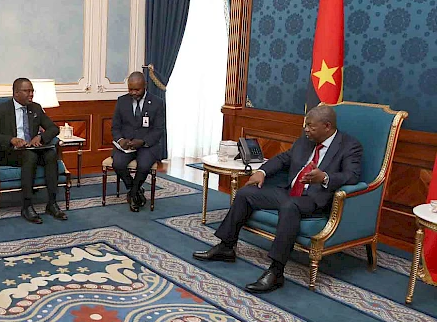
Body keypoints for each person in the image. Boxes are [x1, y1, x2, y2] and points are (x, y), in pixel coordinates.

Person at [193, 105, 362, 293]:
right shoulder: (306, 140)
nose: (306, 129)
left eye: (311, 126)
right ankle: (226, 247)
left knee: (290, 206)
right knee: (246, 193)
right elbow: (283, 159)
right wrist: (262, 172)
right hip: (289, 191)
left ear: (327, 126)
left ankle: (276, 271)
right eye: (306, 125)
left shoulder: (349, 146)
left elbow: (352, 176)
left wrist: (324, 178)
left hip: (315, 198)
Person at [0, 78, 67, 224]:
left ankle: (52, 203)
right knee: (30, 156)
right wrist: (11, 139)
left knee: (51, 154)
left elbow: (54, 128)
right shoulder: (1, 109)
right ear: (16, 93)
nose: (31, 94)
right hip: (10, 152)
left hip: (32, 148)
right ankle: (27, 206)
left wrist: (40, 137)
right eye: (27, 91)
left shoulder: (35, 108)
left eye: (32, 91)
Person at [111, 71, 166, 212]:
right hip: (126, 145)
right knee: (117, 163)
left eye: (137, 89)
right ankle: (134, 190)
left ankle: (133, 193)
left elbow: (159, 130)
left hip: (147, 145)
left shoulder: (157, 103)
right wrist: (120, 139)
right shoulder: (121, 101)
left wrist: (142, 141)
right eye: (130, 89)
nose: (133, 93)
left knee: (143, 165)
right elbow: (115, 126)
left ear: (145, 86)